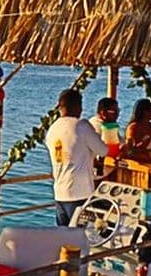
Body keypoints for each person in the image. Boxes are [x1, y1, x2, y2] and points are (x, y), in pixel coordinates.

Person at [45, 89, 108, 226]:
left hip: (60, 193)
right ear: (77, 106)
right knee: (81, 240)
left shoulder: (52, 129)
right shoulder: (82, 125)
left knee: (65, 239)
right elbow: (103, 150)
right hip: (80, 193)